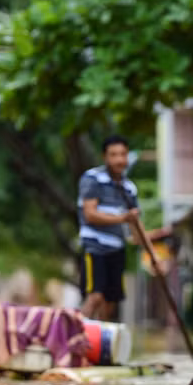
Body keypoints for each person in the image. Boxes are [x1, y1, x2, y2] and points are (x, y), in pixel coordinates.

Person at [78, 134, 139, 321]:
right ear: (105, 157)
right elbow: (90, 214)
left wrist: (153, 258)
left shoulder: (129, 188)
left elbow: (135, 224)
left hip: (117, 249)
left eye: (123, 154)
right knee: (95, 296)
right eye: (113, 155)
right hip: (95, 247)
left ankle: (101, 346)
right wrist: (122, 218)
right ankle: (74, 339)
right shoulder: (93, 179)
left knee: (110, 302)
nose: (119, 159)